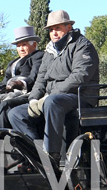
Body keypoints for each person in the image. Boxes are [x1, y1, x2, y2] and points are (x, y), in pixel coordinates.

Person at [8, 10, 99, 163]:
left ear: (69, 27)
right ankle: (37, 153)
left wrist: (49, 97)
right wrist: (33, 99)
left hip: (79, 97)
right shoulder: (50, 50)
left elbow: (79, 77)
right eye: (51, 30)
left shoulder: (83, 46)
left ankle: (52, 155)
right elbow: (41, 79)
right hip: (53, 98)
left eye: (58, 28)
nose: (54, 33)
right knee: (15, 113)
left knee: (52, 102)